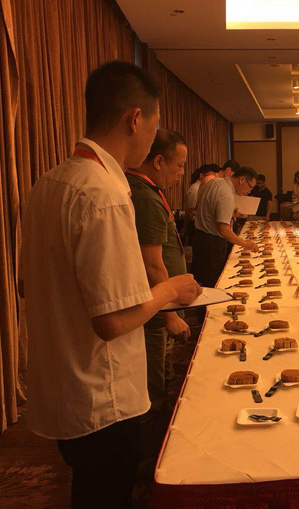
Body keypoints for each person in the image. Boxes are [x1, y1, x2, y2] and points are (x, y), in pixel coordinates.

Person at [19, 61, 202, 508]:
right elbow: (112, 320)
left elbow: (26, 284)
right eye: (154, 125)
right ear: (135, 119)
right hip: (101, 393)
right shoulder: (103, 194)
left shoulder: (48, 182)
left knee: (88, 488)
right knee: (106, 491)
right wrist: (170, 291)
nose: (152, 138)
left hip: (62, 379)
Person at [126, 129, 191, 419]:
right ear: (159, 161)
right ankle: (156, 432)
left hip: (160, 302)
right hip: (154, 308)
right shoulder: (144, 196)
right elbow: (151, 262)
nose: (181, 173)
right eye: (179, 165)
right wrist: (169, 314)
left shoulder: (149, 191)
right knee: (153, 377)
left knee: (161, 368)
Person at [192, 167, 259, 287]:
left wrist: (231, 214)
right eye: (250, 187)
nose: (249, 191)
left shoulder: (214, 182)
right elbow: (224, 230)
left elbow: (209, 210)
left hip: (199, 237)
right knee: (212, 284)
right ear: (242, 180)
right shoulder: (227, 194)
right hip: (212, 244)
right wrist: (246, 244)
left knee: (199, 280)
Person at [184, 163, 220, 244]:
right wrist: (185, 227)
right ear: (201, 176)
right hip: (195, 225)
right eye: (211, 176)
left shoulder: (204, 187)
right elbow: (191, 211)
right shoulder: (195, 189)